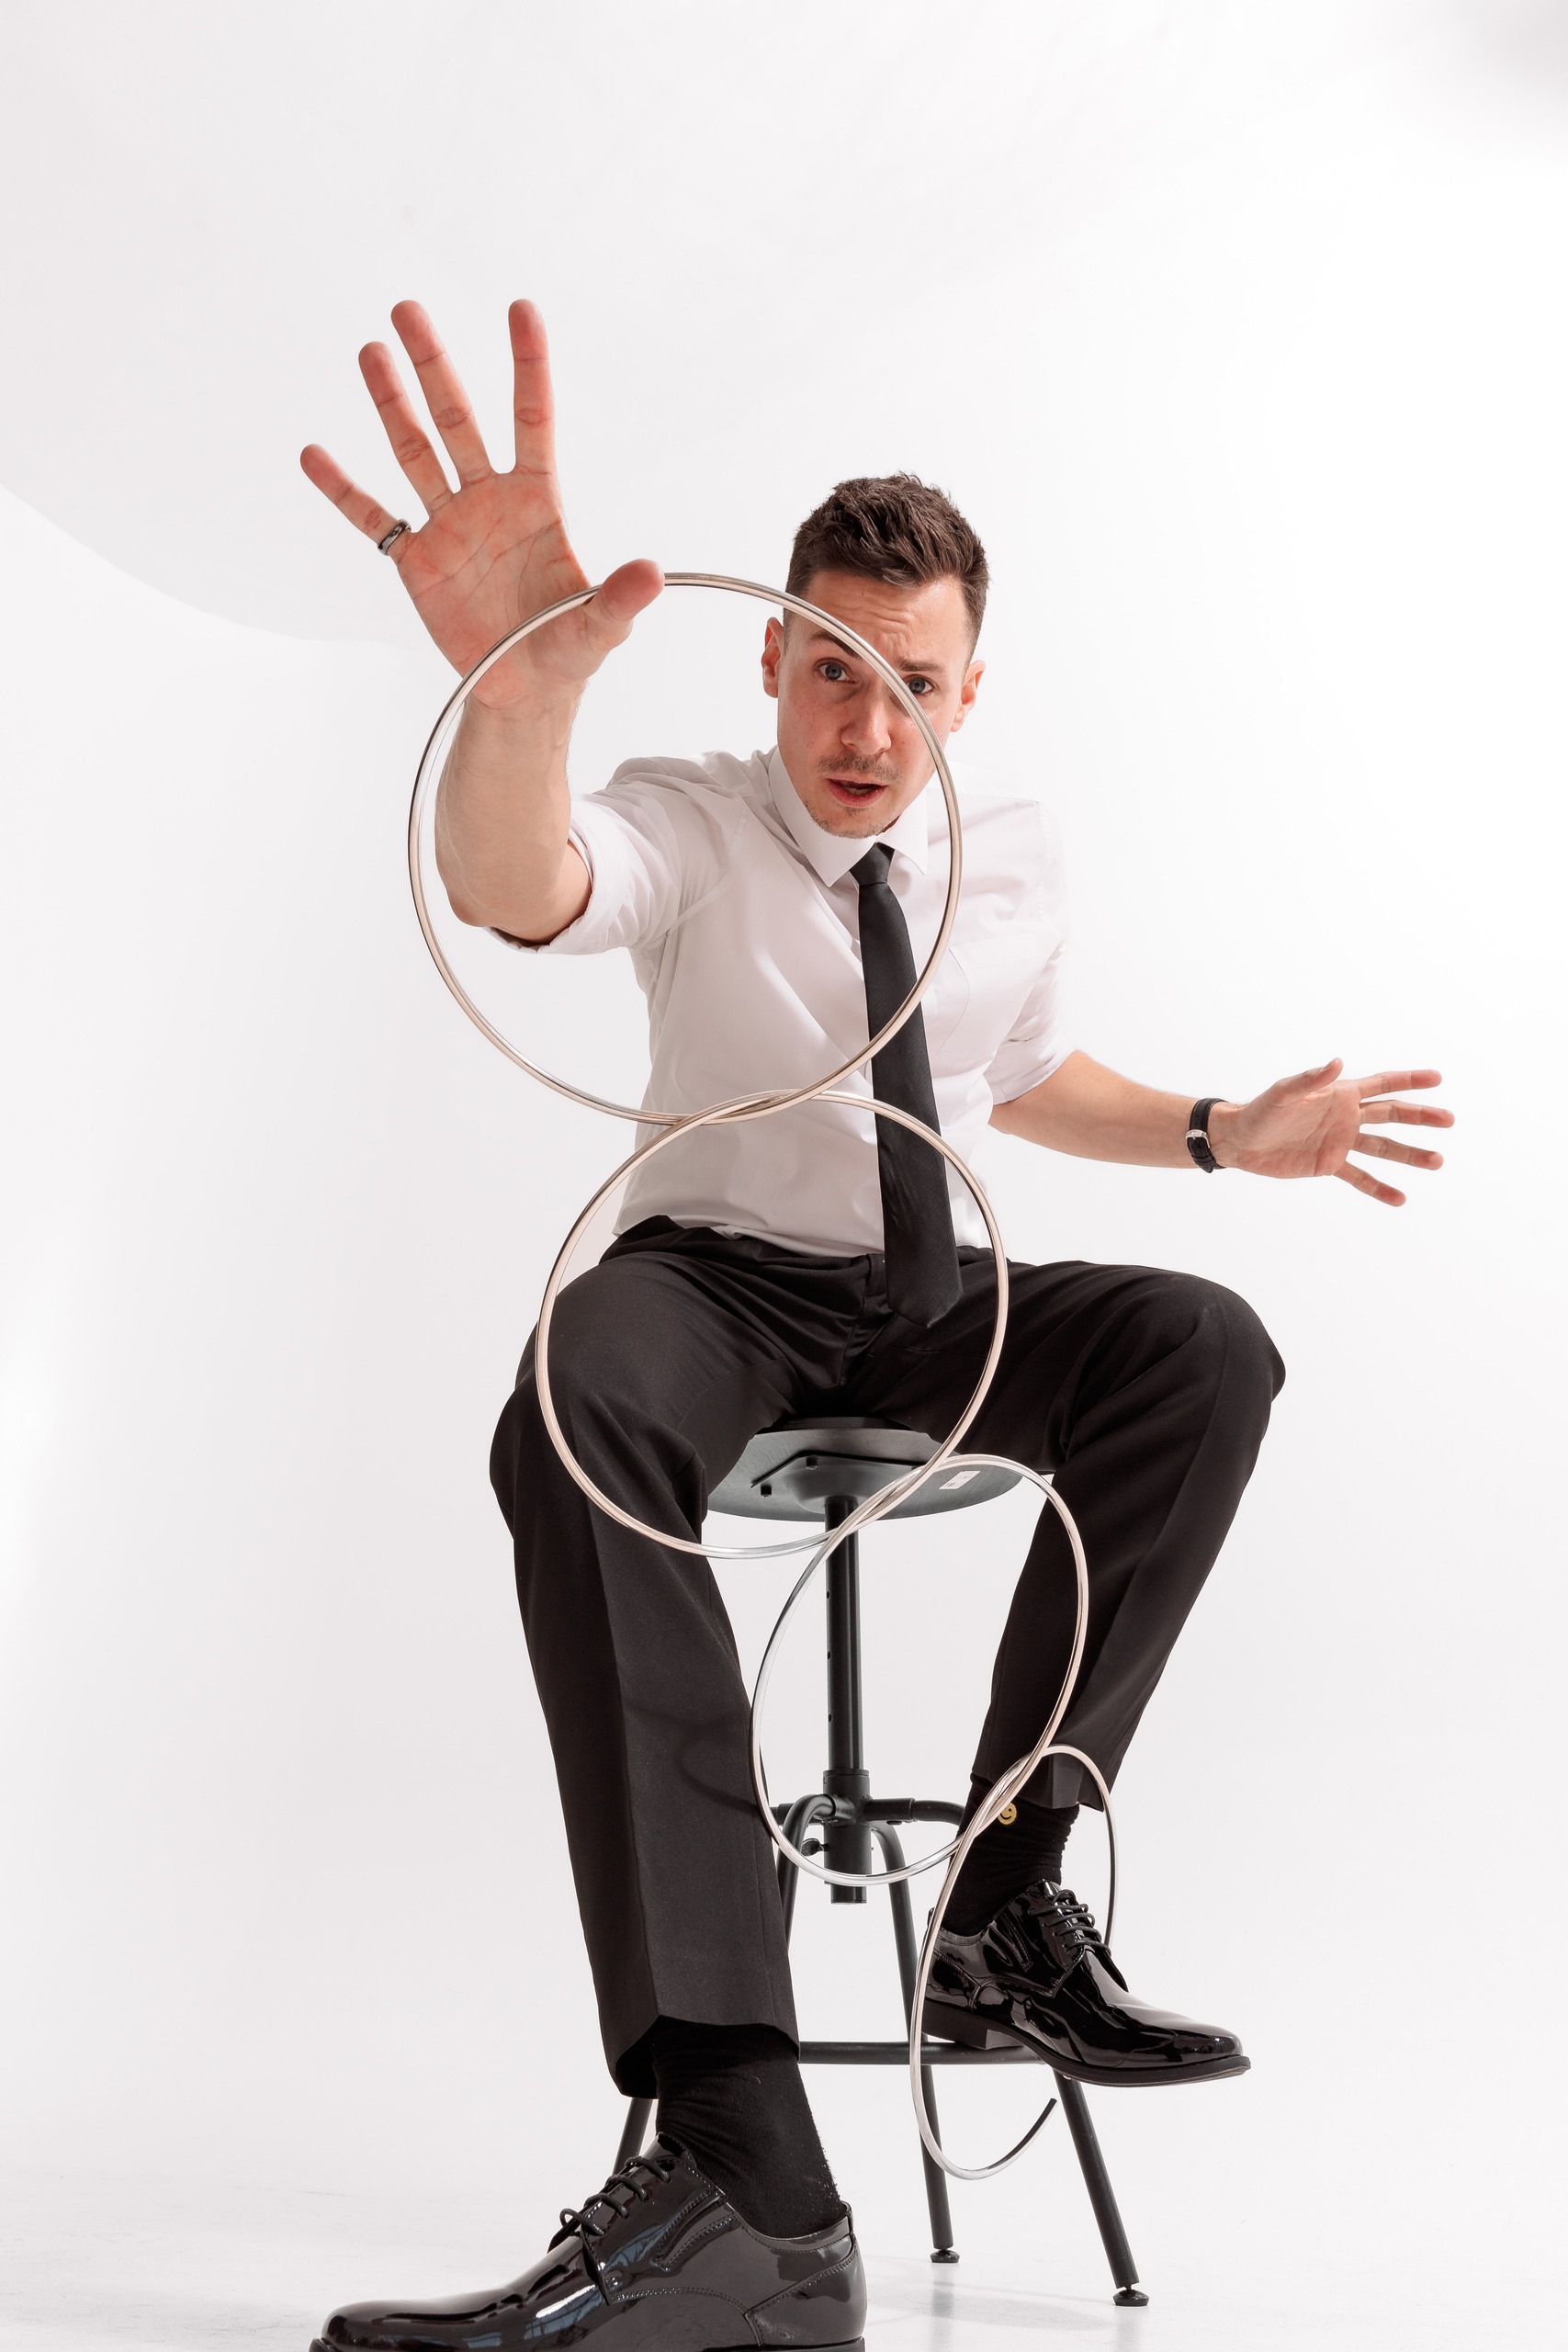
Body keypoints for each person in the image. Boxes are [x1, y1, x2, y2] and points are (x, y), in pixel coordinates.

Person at [299, 300, 1450, 2352]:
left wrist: (1217, 1130)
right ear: (770, 660)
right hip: (715, 1287)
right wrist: (518, 689)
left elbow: (1017, 1075)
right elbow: (521, 884)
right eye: (830, 667)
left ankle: (1003, 1905)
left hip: (929, 1303)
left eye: (911, 681)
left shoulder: (1004, 858)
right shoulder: (687, 813)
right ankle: (739, 2156)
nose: (866, 720)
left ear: (965, 690)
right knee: (572, 1397)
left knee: (1202, 1344)